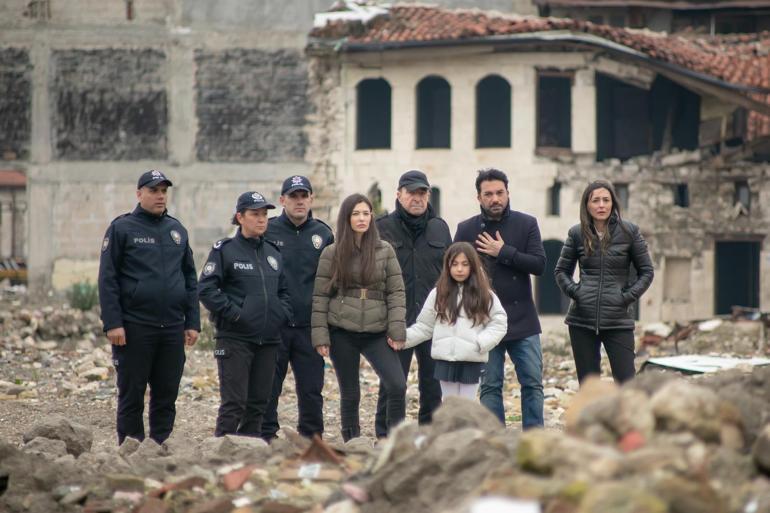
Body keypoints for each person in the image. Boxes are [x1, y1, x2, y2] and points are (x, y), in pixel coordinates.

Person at [98, 169, 200, 445]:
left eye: (164, 191)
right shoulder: (122, 228)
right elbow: (108, 279)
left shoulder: (177, 231)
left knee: (167, 394)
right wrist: (113, 323)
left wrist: (192, 322)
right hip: (135, 327)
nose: (160, 196)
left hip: (172, 328)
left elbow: (190, 278)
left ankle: (160, 448)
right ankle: (131, 450)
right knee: (132, 394)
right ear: (139, 193)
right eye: (154, 190)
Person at [454, 168, 546, 430]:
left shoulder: (527, 224)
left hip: (523, 319)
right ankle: (495, 440)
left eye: (499, 193)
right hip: (483, 320)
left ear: (508, 193)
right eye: (488, 194)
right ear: (479, 197)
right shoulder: (466, 229)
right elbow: (452, 271)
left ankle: (535, 439)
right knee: (490, 386)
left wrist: (504, 251)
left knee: (532, 383)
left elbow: (539, 265)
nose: (495, 199)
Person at [311, 193, 407, 441]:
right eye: (356, 214)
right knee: (350, 393)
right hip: (342, 331)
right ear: (347, 218)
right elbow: (320, 296)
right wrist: (321, 336)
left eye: (366, 213)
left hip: (377, 332)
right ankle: (353, 442)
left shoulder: (385, 250)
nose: (362, 218)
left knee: (397, 384)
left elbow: (396, 292)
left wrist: (397, 330)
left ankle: (394, 440)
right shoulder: (332, 253)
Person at [198, 191, 293, 437]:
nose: (261, 219)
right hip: (235, 339)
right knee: (234, 404)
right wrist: (236, 315)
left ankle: (248, 453)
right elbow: (206, 289)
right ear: (240, 217)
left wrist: (280, 315)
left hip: (268, 340)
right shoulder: (225, 250)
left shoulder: (272, 252)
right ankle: (222, 452)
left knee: (258, 404)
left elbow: (284, 292)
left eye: (264, 214)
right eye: (255, 214)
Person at [374, 170, 450, 438]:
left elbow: (450, 272)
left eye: (422, 193)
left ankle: (429, 438)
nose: (417, 198)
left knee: (433, 386)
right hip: (396, 320)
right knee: (393, 385)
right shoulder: (381, 228)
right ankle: (388, 438)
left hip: (434, 321)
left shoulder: (440, 228)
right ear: (398, 194)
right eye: (411, 193)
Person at [554, 180, 654, 384]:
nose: (601, 205)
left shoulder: (629, 232)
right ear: (587, 205)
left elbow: (647, 271)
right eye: (596, 200)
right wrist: (578, 293)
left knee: (626, 383)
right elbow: (561, 271)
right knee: (589, 385)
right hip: (581, 320)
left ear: (613, 203)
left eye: (606, 200)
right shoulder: (576, 233)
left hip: (618, 319)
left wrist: (626, 297)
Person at [261, 176, 334, 442]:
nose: (299, 201)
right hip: (276, 325)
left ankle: (312, 438)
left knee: (312, 389)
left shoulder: (323, 234)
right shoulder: (267, 231)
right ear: (283, 200)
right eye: (293, 196)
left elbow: (332, 280)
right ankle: (266, 436)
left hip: (309, 327)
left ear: (312, 199)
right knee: (269, 386)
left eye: (304, 196)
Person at [395, 242, 508, 400]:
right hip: (445, 360)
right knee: (449, 405)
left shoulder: (485, 295)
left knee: (466, 406)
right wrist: (401, 339)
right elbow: (424, 327)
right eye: (454, 264)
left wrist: (481, 343)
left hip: (471, 359)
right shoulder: (438, 293)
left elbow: (499, 322)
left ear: (473, 266)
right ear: (447, 266)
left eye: (465, 264)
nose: (459, 269)